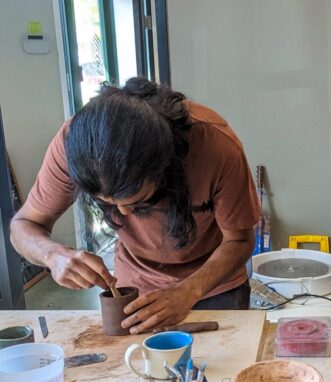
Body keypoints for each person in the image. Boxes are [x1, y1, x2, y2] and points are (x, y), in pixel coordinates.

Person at [11, 77, 260, 334]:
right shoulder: (74, 145)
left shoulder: (215, 146)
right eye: (107, 203)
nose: (125, 213)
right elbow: (24, 226)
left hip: (213, 282)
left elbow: (239, 241)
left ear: (165, 165)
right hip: (134, 288)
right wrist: (51, 255)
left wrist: (189, 291)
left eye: (139, 202)